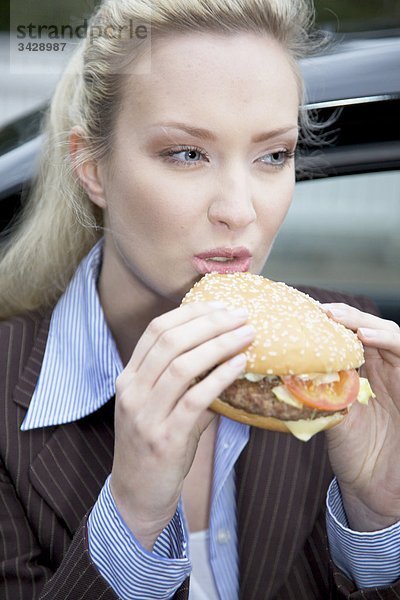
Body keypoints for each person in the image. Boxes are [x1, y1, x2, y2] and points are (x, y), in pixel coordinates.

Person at [0, 0, 399, 598]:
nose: (239, 212)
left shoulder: (346, 366)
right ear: (92, 167)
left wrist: (381, 517)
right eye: (187, 153)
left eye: (274, 155)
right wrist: (129, 521)